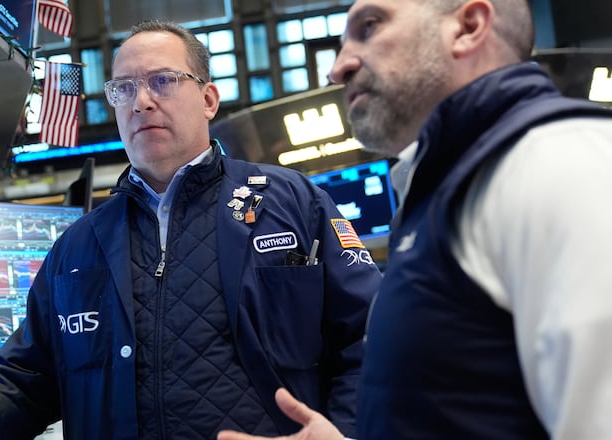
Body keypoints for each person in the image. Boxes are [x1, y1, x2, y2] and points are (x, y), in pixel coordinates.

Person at [0, 19, 382, 440]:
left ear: (209, 98)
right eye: (123, 89)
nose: (141, 100)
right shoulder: (78, 245)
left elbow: (371, 337)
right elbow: (25, 378)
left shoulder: (295, 201)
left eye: (164, 81)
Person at [217, 0, 612, 439]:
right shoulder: (447, 186)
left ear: (468, 26)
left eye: (369, 26)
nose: (338, 67)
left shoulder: (561, 163)